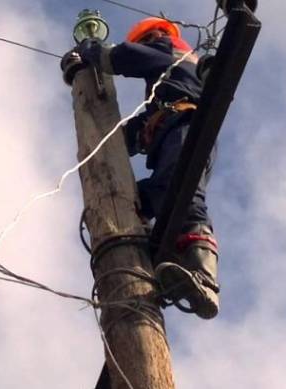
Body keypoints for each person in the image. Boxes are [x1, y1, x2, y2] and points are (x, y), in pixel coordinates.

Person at [62, 17, 220, 319]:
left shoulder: (171, 50)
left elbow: (125, 57)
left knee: (181, 190)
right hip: (172, 132)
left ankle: (204, 274)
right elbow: (135, 132)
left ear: (155, 36)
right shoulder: (165, 92)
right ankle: (166, 262)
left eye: (144, 40)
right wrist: (104, 137)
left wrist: (92, 49)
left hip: (186, 129)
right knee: (143, 199)